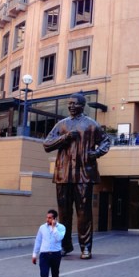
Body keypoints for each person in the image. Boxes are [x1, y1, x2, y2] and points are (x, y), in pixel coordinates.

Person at [43, 93, 111, 260]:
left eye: (74, 104)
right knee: (64, 213)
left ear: (82, 105)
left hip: (83, 174)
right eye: (69, 104)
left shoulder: (91, 124)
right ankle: (65, 246)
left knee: (83, 213)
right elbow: (47, 144)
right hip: (63, 174)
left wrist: (95, 153)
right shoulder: (62, 124)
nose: (71, 106)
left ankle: (85, 247)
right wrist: (64, 138)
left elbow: (106, 141)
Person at [32, 209, 66, 277]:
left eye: (50, 218)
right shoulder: (42, 227)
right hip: (44, 255)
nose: (47, 219)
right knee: (44, 275)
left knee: (55, 275)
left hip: (56, 255)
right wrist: (34, 254)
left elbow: (59, 238)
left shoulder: (61, 227)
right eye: (47, 217)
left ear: (55, 218)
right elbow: (38, 241)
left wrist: (54, 228)